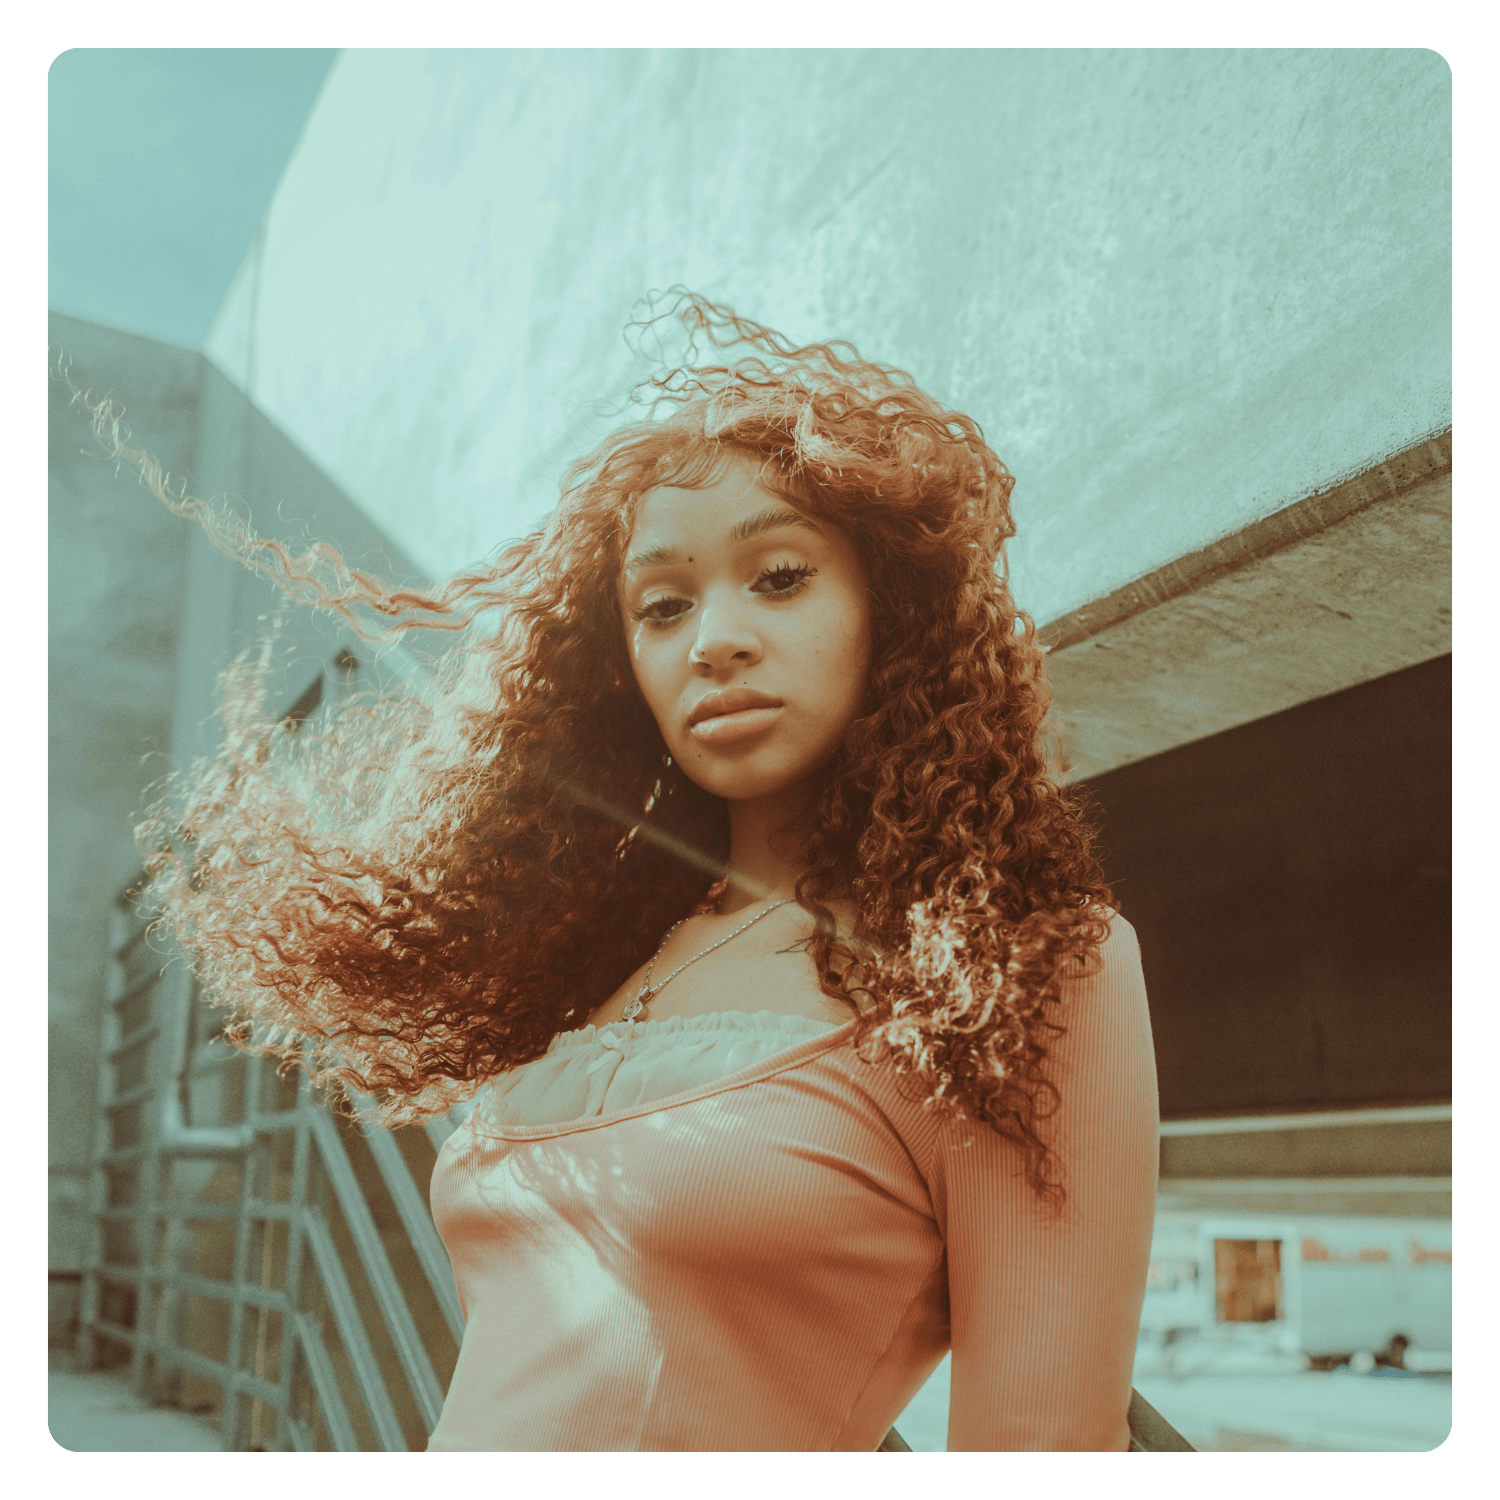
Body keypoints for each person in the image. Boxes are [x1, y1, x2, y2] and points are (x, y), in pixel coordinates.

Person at [97, 288, 1161, 1451]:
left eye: (781, 576)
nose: (715, 639)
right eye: (663, 605)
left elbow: (1042, 1434)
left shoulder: (1016, 969)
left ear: (892, 612)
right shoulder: (606, 950)